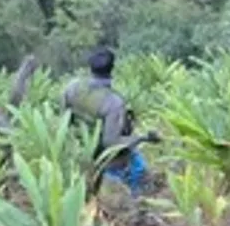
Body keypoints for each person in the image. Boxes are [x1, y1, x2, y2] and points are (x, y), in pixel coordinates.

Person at [61, 47, 161, 198]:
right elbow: (110, 143)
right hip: (102, 157)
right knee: (137, 166)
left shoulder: (72, 87)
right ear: (112, 68)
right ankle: (137, 200)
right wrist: (143, 138)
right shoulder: (113, 102)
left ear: (91, 67)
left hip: (77, 148)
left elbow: (64, 119)